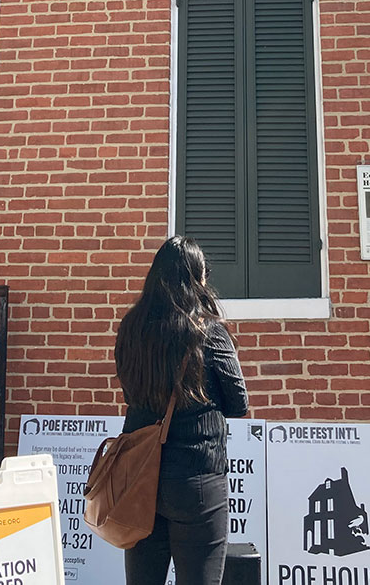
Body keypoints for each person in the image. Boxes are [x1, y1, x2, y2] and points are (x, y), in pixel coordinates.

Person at [115, 236, 248, 585]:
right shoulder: (208, 331)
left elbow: (130, 390)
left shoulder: (131, 327)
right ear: (195, 278)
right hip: (196, 479)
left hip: (139, 475)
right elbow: (239, 402)